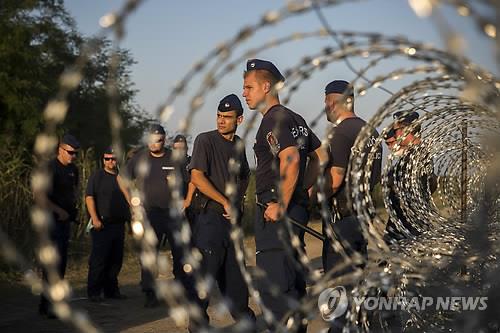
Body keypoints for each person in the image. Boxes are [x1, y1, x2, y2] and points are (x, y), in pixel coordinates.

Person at [242, 59, 322, 332]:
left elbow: (290, 157)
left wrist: (282, 204)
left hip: (277, 215)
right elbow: (320, 156)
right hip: (293, 210)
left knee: (276, 289)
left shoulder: (273, 119)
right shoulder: (294, 118)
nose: (245, 93)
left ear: (267, 86)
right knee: (293, 285)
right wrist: (305, 191)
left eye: (249, 87)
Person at [189, 93, 256, 328]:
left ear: (239, 120)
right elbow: (197, 176)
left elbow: (245, 175)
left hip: (232, 222)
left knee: (237, 280)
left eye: (227, 117)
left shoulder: (239, 145)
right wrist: (224, 201)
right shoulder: (205, 140)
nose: (221, 120)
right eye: (218, 115)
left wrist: (236, 201)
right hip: (209, 220)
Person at [322, 80, 382, 332]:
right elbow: (375, 177)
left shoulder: (340, 132)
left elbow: (335, 178)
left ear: (333, 102)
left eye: (325, 102)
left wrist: (316, 196)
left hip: (342, 218)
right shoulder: (371, 132)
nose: (325, 107)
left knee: (337, 283)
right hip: (362, 215)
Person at [118, 124, 196, 308]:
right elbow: (121, 178)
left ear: (164, 139)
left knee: (180, 253)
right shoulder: (140, 158)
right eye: (151, 139)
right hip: (150, 214)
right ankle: (150, 292)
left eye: (158, 139)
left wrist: (187, 200)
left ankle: (182, 290)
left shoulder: (173, 157)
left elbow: (192, 179)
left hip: (173, 214)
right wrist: (131, 201)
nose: (155, 143)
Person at [38, 134, 80, 318]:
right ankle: (47, 304)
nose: (73, 156)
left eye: (75, 153)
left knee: (61, 263)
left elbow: (75, 189)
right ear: (60, 150)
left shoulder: (73, 169)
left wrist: (71, 208)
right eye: (70, 152)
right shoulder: (49, 168)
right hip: (50, 222)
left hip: (64, 223)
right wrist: (58, 210)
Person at [383, 111, 437, 242]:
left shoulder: (415, 157)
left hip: (407, 227)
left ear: (405, 131)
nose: (395, 134)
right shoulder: (418, 154)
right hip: (406, 224)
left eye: (396, 130)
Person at [85, 147, 130, 302]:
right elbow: (89, 198)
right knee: (99, 259)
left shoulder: (121, 178)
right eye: (107, 158)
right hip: (102, 224)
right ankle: (94, 292)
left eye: (113, 158)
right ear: (103, 160)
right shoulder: (97, 176)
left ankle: (111, 290)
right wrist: (95, 218)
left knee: (116, 260)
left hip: (118, 224)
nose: (110, 161)